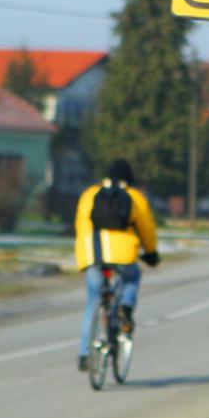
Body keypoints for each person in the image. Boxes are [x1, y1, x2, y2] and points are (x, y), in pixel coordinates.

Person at [73, 158, 160, 372]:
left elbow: (80, 225)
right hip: (123, 255)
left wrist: (84, 254)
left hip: (92, 254)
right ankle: (125, 307)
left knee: (93, 300)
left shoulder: (89, 194)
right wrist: (151, 253)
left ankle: (85, 354)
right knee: (132, 279)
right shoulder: (134, 196)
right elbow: (146, 227)